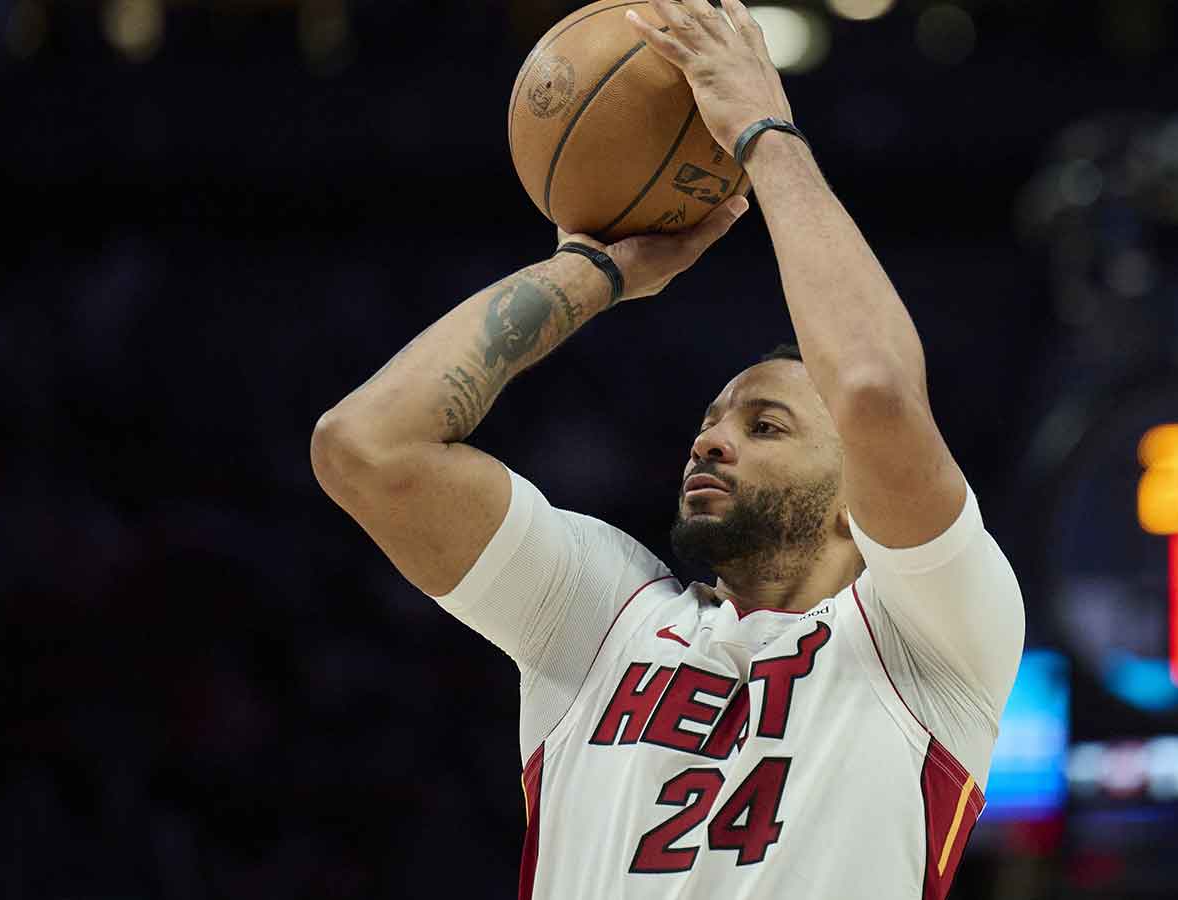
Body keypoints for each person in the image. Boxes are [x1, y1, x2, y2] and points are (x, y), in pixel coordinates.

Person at [310, 0, 1024, 896]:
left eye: (766, 426)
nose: (714, 442)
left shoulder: (932, 635)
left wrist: (767, 137)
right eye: (710, 422)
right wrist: (594, 272)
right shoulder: (605, 618)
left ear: (859, 496)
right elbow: (365, 446)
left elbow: (876, 391)